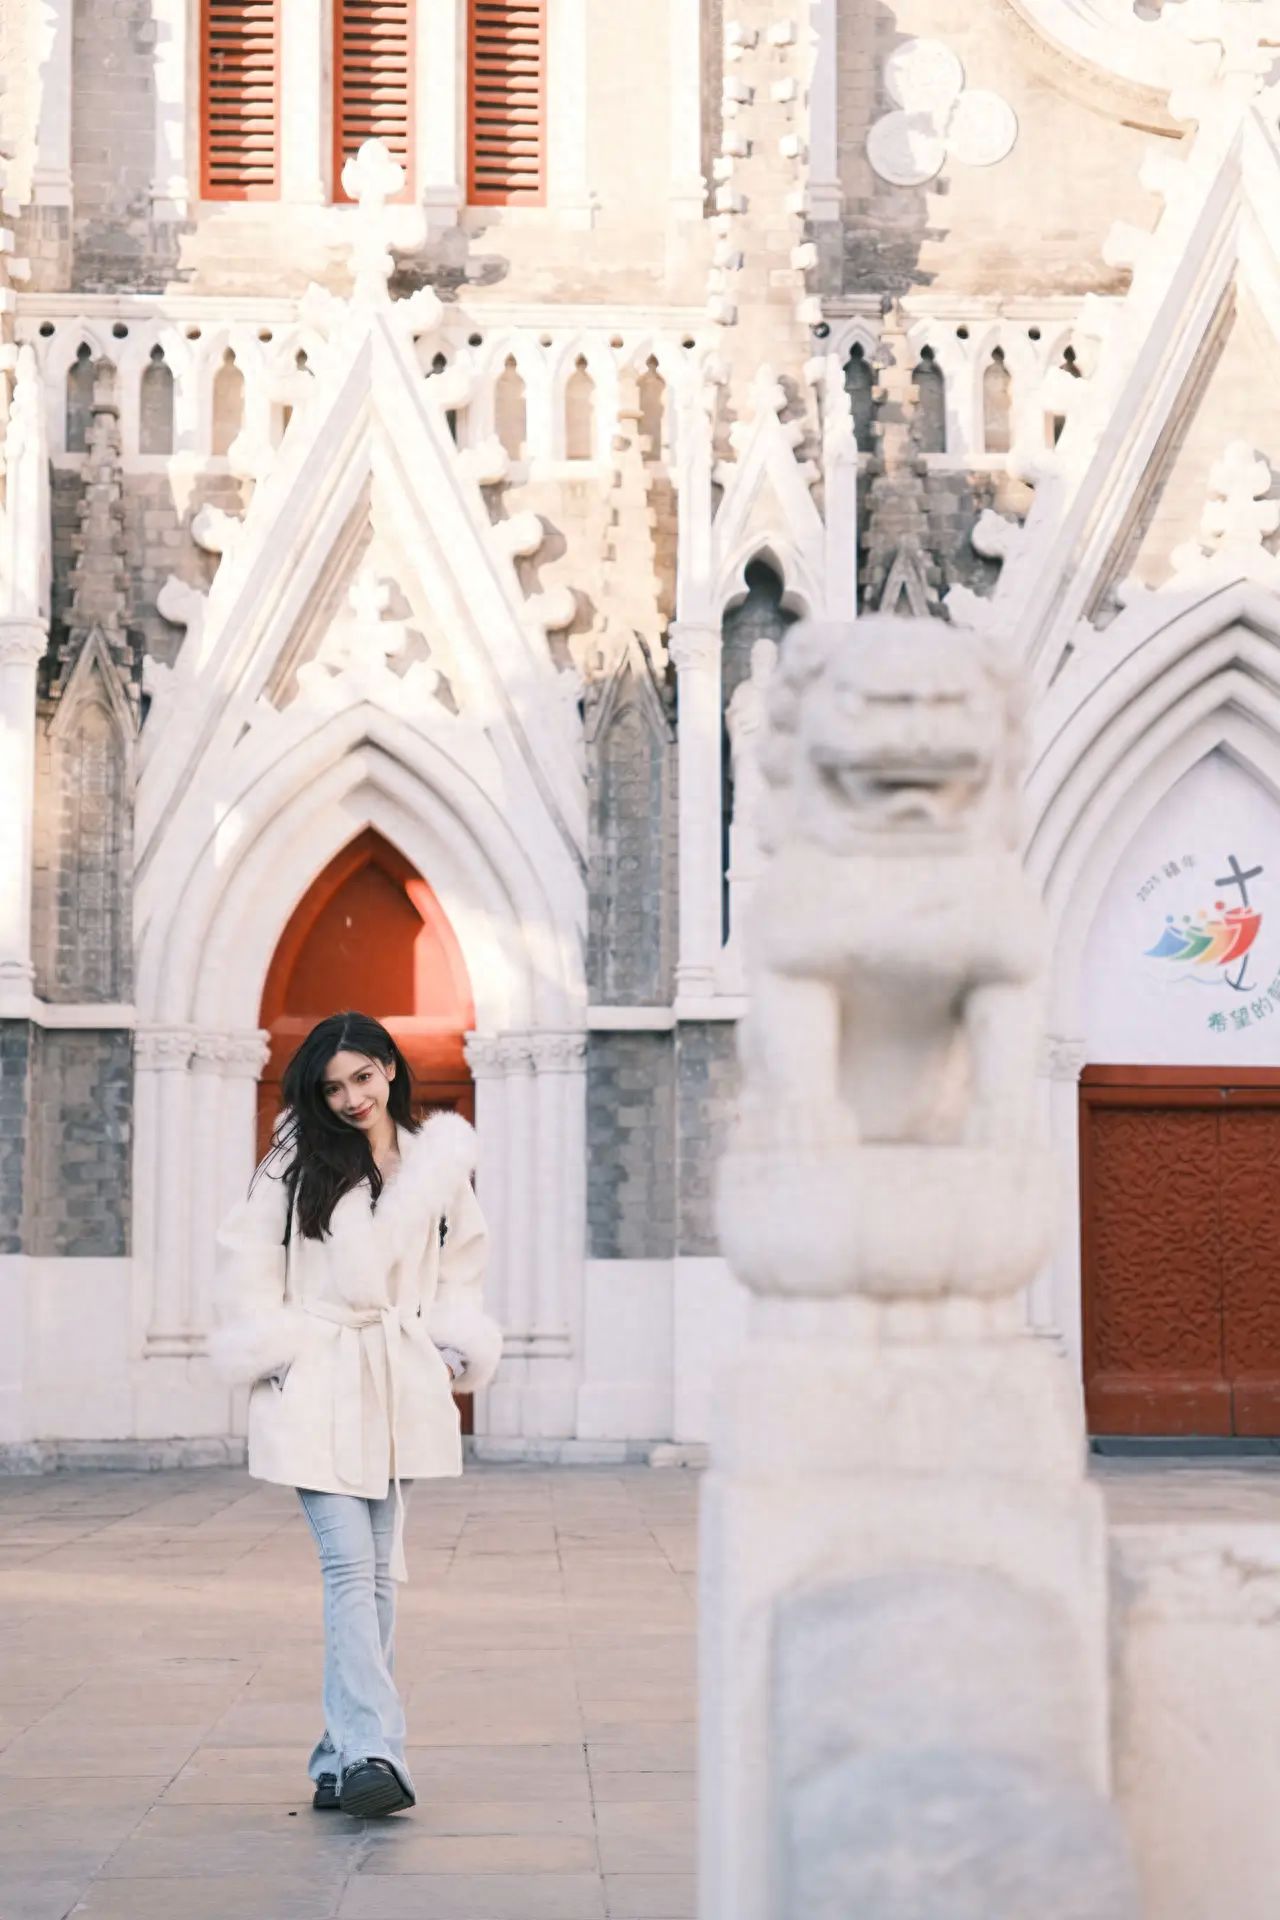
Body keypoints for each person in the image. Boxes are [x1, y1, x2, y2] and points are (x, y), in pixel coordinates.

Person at [209, 1010, 502, 1819]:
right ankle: (375, 1749)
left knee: (376, 1576)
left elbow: (464, 1265)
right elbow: (245, 1258)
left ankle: (337, 1758)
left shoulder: (437, 1166)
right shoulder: (293, 1160)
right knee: (349, 1566)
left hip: (393, 1376)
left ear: (389, 1069)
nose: (351, 1098)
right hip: (317, 1372)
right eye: (334, 1086)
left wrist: (450, 1342)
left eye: (363, 1077)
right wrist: (275, 1351)